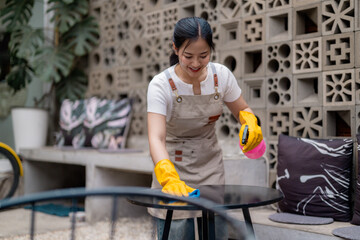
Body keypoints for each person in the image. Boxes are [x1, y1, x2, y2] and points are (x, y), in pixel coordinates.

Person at [147, 17, 263, 240]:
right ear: (175, 48)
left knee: (215, 230)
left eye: (204, 56)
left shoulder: (221, 76)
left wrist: (250, 122)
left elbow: (242, 109)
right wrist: (168, 177)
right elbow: (156, 137)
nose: (196, 63)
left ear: (211, 49)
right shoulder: (161, 85)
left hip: (210, 164)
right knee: (177, 231)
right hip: (172, 163)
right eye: (188, 56)